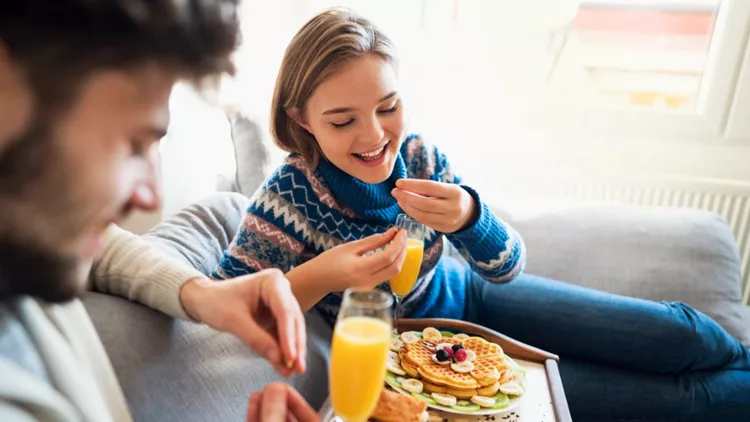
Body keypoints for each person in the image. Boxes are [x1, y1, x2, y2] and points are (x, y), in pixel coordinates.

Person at [212, 8, 750, 422]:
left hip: (477, 294)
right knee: (684, 400)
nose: (375, 136)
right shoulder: (288, 198)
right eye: (342, 121)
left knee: (681, 335)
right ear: (301, 119)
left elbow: (508, 266)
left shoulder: (420, 157)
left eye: (388, 107)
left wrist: (470, 215)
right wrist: (327, 275)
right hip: (408, 354)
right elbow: (228, 311)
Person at [0, 1, 313, 421]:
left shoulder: (27, 236)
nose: (151, 196)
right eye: (134, 144)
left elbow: (104, 246)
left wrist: (201, 293)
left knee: (230, 206)